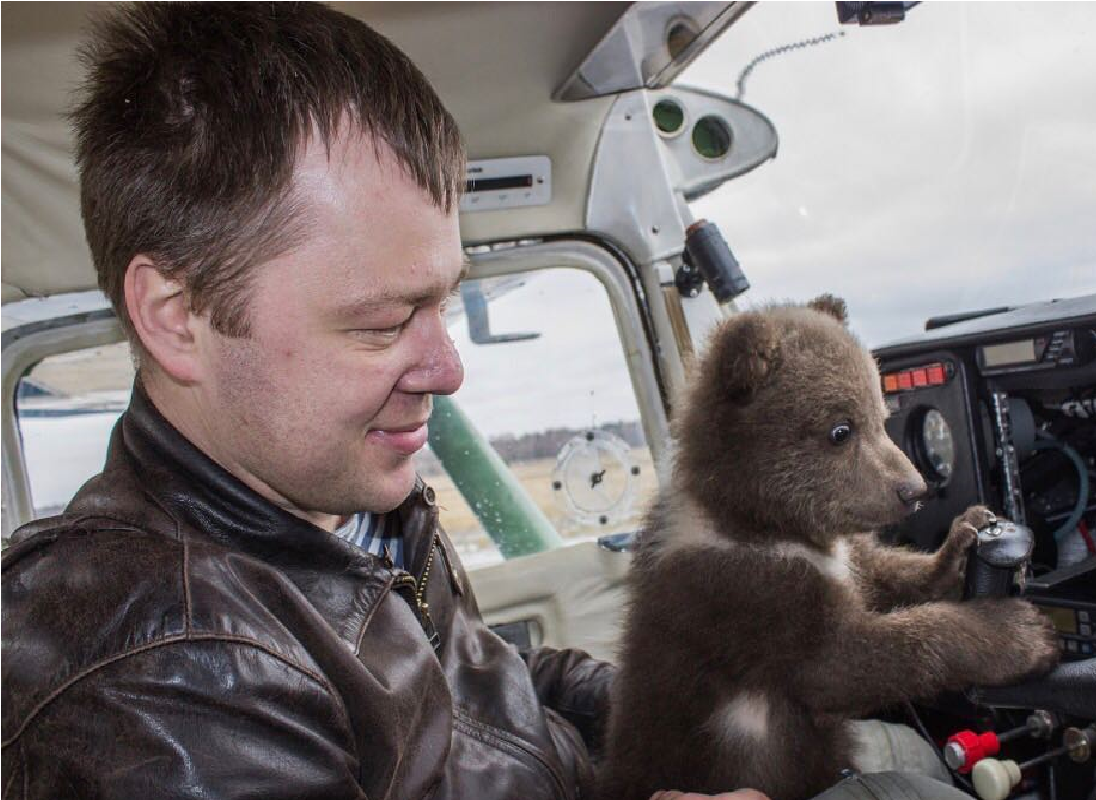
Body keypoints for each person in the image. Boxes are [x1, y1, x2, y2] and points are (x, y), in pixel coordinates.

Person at [1, 5, 969, 800]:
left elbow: (491, 689)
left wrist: (682, 693)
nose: (446, 366)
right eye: (382, 322)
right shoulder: (163, 681)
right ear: (177, 318)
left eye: (445, 299)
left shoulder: (340, 506)